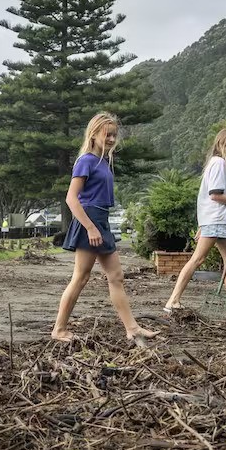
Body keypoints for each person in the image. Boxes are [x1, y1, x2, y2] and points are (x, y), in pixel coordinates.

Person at [51, 111, 159, 345]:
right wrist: (90, 228)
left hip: (102, 221)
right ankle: (59, 329)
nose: (111, 139)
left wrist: (98, 226)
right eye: (106, 134)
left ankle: (132, 329)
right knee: (81, 277)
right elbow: (71, 198)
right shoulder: (86, 161)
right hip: (89, 221)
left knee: (116, 276)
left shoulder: (103, 161)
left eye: (114, 135)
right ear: (94, 134)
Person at [163, 128, 226, 317]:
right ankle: (173, 300)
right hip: (215, 220)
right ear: (223, 144)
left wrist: (202, 224)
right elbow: (215, 195)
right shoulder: (218, 163)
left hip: (216, 220)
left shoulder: (220, 164)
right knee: (198, 259)